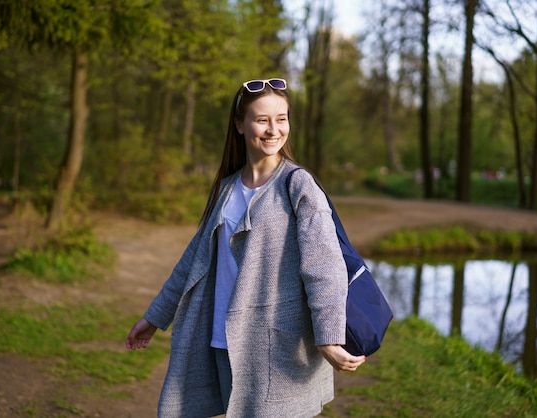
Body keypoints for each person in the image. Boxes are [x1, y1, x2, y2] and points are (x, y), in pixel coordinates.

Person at [126, 78, 366, 417]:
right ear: (240, 124)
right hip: (224, 342)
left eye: (281, 118)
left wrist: (328, 337)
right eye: (262, 119)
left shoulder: (297, 185)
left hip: (277, 349)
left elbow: (323, 265)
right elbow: (193, 262)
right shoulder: (226, 188)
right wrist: (154, 317)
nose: (273, 130)